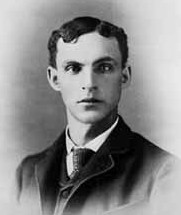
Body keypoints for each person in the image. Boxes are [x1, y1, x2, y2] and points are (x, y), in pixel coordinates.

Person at [15, 16, 181, 215]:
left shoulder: (163, 172)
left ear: (125, 76)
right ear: (55, 78)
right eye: (73, 68)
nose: (89, 83)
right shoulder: (26, 173)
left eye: (104, 67)